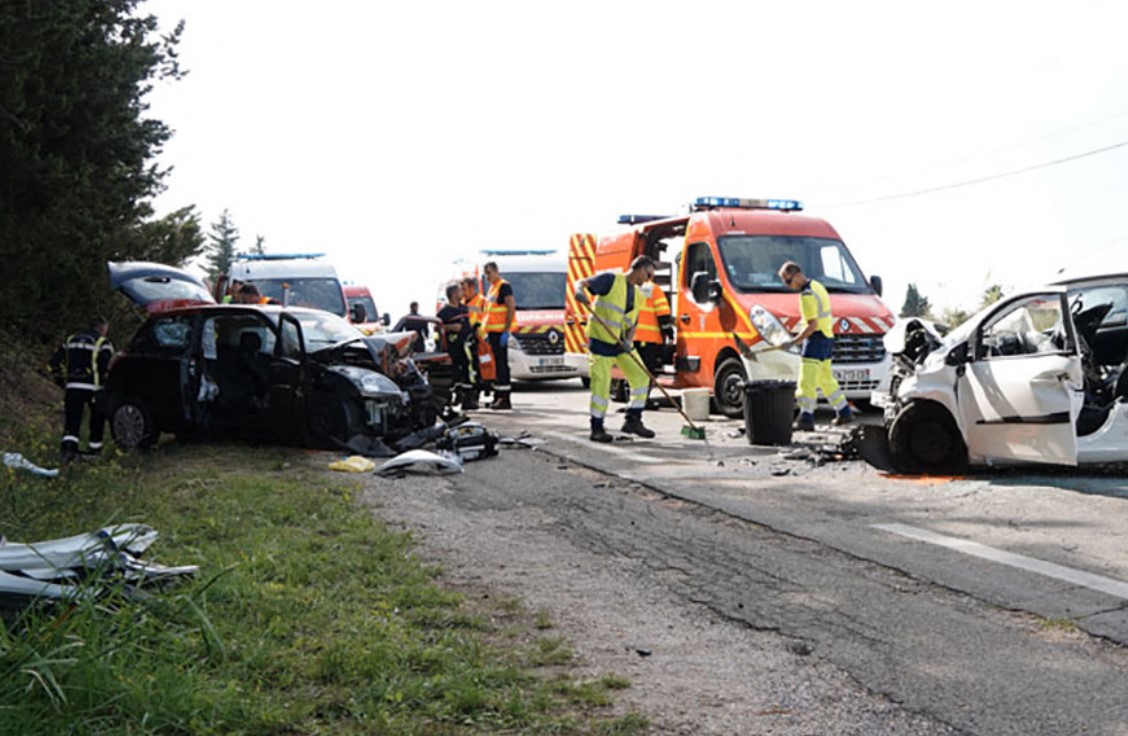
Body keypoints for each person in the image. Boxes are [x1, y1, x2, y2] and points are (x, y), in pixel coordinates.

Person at [575, 255, 657, 442]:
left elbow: (632, 322)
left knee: (642, 376)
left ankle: (633, 419)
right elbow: (581, 283)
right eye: (648, 273)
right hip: (601, 341)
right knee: (601, 385)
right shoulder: (611, 280)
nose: (648, 279)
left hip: (620, 343)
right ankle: (597, 428)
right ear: (638, 268)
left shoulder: (638, 295)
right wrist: (579, 292)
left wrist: (628, 340)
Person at [778, 260, 852, 431]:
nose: (787, 285)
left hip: (816, 339)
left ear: (797, 275)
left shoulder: (807, 295)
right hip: (827, 337)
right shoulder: (817, 286)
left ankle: (806, 417)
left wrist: (794, 341)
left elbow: (812, 325)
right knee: (824, 378)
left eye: (788, 281)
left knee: (806, 380)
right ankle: (844, 411)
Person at [48, 315, 115, 461]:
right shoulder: (102, 343)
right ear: (103, 329)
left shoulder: (71, 340)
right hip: (94, 387)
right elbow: (108, 366)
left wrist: (60, 381)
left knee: (72, 420)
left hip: (73, 386)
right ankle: (94, 450)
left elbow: (54, 362)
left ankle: (68, 451)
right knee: (97, 419)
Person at [633, 276, 674, 410]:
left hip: (633, 338)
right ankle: (643, 400)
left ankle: (636, 400)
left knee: (636, 371)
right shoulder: (654, 289)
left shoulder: (633, 288)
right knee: (648, 371)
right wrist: (669, 333)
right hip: (649, 338)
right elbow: (662, 313)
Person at [481, 261, 516, 410]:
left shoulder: (503, 286)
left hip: (500, 332)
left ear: (496, 271)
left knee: (502, 366)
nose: (487, 276)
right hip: (492, 333)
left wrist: (506, 330)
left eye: (489, 273)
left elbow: (511, 307)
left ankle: (504, 399)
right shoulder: (492, 289)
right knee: (495, 366)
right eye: (486, 274)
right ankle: (497, 396)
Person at [437, 283, 472, 410]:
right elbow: (437, 328)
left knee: (467, 371)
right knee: (454, 372)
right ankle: (454, 397)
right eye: (459, 291)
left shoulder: (464, 308)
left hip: (466, 346)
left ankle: (468, 398)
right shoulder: (444, 312)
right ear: (453, 294)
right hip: (452, 347)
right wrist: (451, 327)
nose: (462, 293)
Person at [459, 276, 485, 410]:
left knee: (479, 369)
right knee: (471, 369)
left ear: (472, 288)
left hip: (480, 339)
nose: (462, 292)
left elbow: (486, 318)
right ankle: (471, 395)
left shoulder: (481, 301)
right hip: (467, 339)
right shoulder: (462, 302)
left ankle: (478, 393)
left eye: (464, 289)